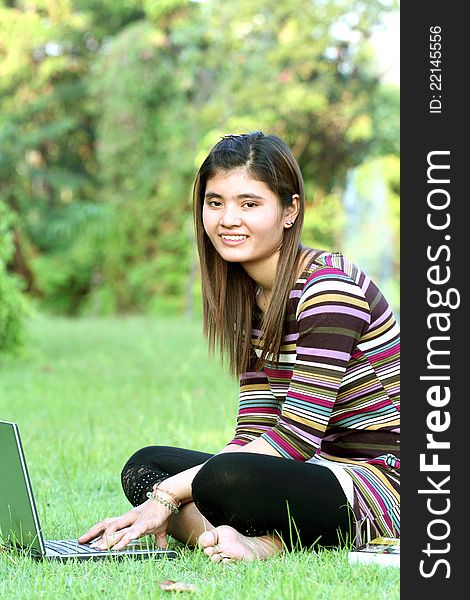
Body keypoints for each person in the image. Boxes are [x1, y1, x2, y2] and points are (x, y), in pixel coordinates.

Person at [79, 131, 400, 562]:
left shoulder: (329, 289)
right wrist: (165, 489)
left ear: (290, 211)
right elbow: (253, 432)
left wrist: (170, 497)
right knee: (146, 467)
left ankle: (261, 542)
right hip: (311, 474)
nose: (228, 219)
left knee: (216, 479)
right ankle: (242, 540)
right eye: (216, 202)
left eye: (249, 204)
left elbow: (296, 438)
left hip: (383, 485)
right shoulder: (253, 299)